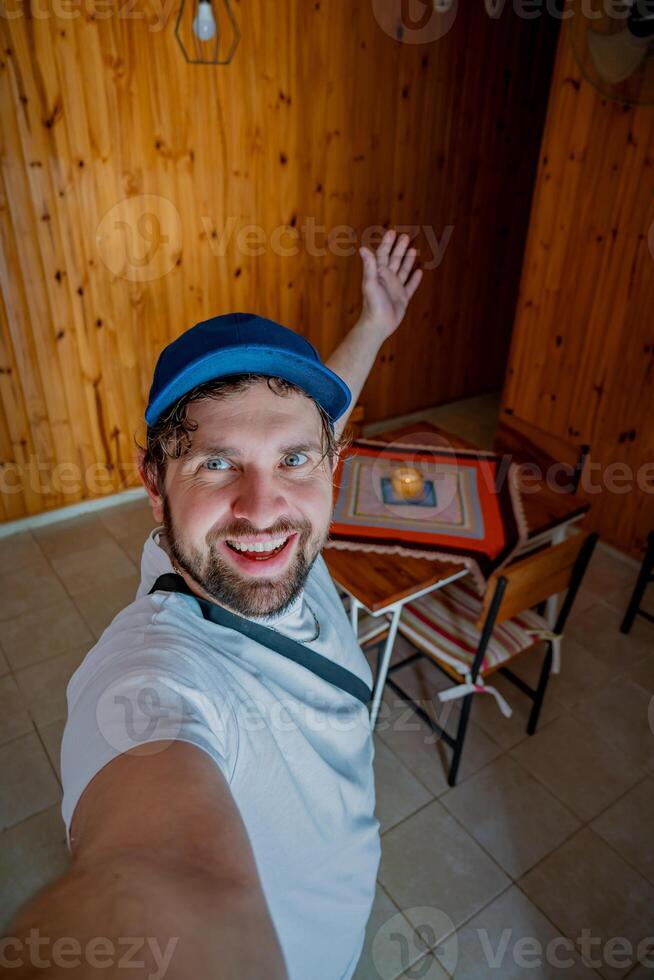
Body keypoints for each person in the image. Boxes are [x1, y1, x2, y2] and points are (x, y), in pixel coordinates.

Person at [5, 229, 423, 980]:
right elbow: (151, 876)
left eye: (292, 459)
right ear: (153, 483)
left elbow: (318, 416)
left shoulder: (282, 534)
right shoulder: (149, 680)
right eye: (216, 464)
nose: (262, 509)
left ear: (330, 464)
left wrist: (374, 324)